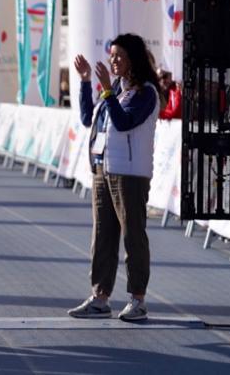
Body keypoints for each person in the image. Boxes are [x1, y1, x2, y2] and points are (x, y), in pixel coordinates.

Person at [69, 33, 159, 323]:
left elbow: (123, 122)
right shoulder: (117, 89)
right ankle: (100, 297)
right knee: (102, 236)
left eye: (119, 56)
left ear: (133, 58)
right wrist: (85, 82)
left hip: (130, 174)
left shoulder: (145, 93)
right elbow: (87, 118)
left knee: (133, 235)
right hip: (102, 170)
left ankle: (138, 298)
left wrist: (107, 89)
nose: (113, 60)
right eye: (111, 55)